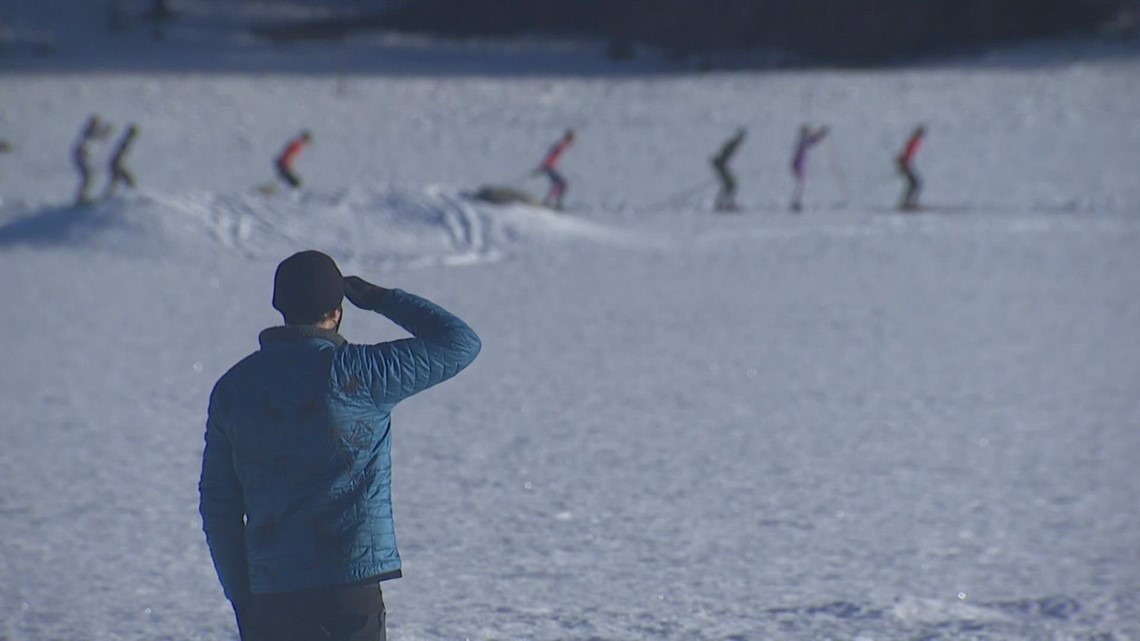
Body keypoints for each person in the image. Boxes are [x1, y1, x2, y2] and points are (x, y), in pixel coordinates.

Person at [199, 250, 481, 641]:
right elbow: (460, 343)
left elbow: (219, 505)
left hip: (272, 593)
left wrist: (243, 598)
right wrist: (381, 298)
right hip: (349, 588)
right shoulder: (362, 374)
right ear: (338, 311)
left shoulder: (233, 389)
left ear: (280, 307)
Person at [72, 115, 113, 205]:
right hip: (81, 156)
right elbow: (99, 136)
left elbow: (100, 136)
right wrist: (107, 131)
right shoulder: (88, 132)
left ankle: (82, 196)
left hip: (82, 156)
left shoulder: (90, 131)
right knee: (88, 176)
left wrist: (106, 131)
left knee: (89, 176)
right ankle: (81, 197)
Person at [790, 124, 829, 212]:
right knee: (803, 184)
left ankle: (797, 202)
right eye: (807, 132)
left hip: (799, 165)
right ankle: (797, 203)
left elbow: (813, 140)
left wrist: (822, 134)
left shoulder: (803, 141)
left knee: (803, 184)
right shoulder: (803, 141)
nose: (809, 133)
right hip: (798, 165)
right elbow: (813, 140)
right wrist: (822, 134)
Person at [534, 129, 575, 210]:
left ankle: (550, 202)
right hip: (550, 167)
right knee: (561, 184)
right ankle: (553, 203)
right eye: (572, 139)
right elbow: (552, 155)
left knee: (560, 184)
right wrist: (544, 166)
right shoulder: (561, 145)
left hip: (550, 167)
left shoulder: (563, 145)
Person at [711, 128, 746, 211]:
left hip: (721, 166)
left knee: (730, 185)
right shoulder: (733, 144)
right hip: (721, 165)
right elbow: (723, 155)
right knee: (731, 185)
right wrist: (722, 167)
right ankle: (724, 204)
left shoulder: (734, 144)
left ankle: (723, 203)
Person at [103, 124, 139, 199]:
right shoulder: (125, 141)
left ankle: (108, 196)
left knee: (115, 181)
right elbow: (118, 154)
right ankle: (132, 195)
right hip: (117, 164)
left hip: (116, 163)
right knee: (129, 181)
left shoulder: (126, 141)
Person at [896, 125, 926, 211]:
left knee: (914, 184)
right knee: (915, 183)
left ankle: (908, 202)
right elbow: (907, 153)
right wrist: (905, 164)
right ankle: (909, 203)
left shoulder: (914, 141)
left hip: (905, 164)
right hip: (905, 164)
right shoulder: (914, 141)